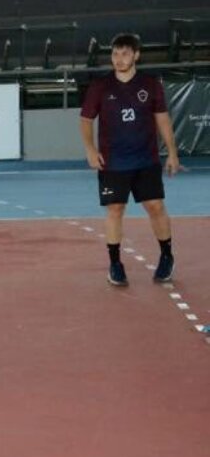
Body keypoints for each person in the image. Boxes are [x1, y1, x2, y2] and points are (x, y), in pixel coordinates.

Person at [80, 33, 181, 286]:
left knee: (156, 206)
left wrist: (172, 151)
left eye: (125, 53)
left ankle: (167, 256)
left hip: (146, 159)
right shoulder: (100, 87)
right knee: (115, 209)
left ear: (136, 55)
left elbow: (162, 118)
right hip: (113, 161)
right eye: (115, 54)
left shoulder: (150, 84)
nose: (119, 59)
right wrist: (90, 149)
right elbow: (85, 120)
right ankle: (115, 264)